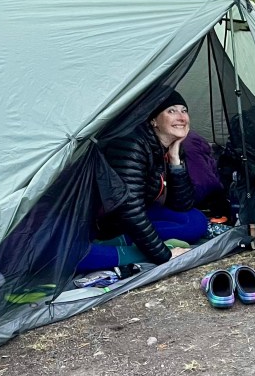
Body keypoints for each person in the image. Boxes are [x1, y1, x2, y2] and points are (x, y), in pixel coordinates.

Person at [78, 91, 208, 272]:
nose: (181, 117)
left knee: (196, 221)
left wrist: (175, 159)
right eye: (171, 111)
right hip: (102, 221)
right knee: (73, 257)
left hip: (134, 215)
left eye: (184, 110)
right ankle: (134, 252)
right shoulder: (131, 144)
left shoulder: (169, 145)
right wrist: (164, 254)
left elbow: (182, 205)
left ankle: (124, 242)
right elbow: (129, 209)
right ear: (153, 120)